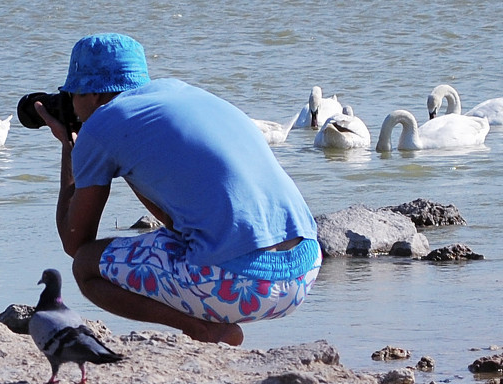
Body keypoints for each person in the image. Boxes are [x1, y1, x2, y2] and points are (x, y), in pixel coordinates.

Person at [33, 33, 321, 346]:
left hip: (244, 286)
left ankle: (202, 329)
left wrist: (69, 146)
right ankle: (212, 321)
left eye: (73, 94)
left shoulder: (101, 125)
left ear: (91, 94)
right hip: (303, 274)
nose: (72, 106)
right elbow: (176, 224)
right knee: (186, 242)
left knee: (86, 266)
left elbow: (75, 241)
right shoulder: (179, 94)